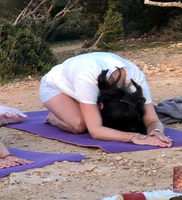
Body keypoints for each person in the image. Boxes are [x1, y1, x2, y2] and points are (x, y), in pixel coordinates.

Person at [39, 52, 172, 147]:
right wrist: (134, 137)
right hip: (55, 87)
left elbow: (153, 119)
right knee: (80, 125)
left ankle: (78, 107)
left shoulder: (134, 77)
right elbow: (96, 131)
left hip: (83, 84)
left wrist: (156, 132)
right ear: (101, 106)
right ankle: (54, 117)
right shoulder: (87, 78)